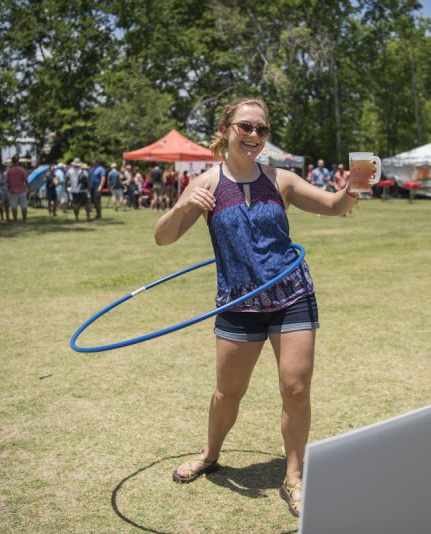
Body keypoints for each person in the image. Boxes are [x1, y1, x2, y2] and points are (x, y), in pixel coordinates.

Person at [155, 97, 363, 518]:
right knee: (228, 392)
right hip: (239, 303)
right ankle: (211, 453)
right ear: (226, 130)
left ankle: (295, 476)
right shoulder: (206, 184)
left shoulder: (279, 179)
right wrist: (185, 204)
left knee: (296, 388)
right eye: (245, 127)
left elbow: (334, 206)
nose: (254, 135)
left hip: (291, 295)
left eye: (261, 129)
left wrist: (355, 186)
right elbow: (163, 238)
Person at [5, 155, 29, 223]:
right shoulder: (22, 170)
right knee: (24, 206)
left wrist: (8, 189)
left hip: (12, 191)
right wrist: (28, 188)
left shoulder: (9, 171)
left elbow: (7, 181)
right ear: (18, 161)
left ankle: (15, 219)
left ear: (12, 161)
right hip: (22, 190)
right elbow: (26, 181)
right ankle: (24, 220)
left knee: (14, 206)